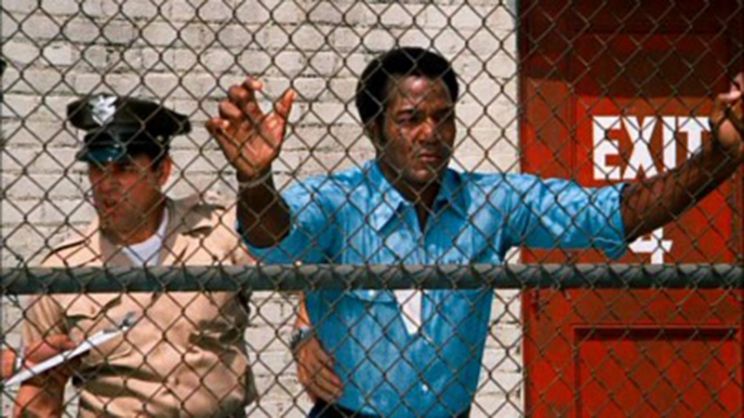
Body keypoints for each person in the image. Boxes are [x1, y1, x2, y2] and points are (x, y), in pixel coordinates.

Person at [206, 47, 744, 417]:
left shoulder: (491, 203)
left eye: (444, 117)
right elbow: (272, 236)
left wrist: (718, 157)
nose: (431, 134)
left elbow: (613, 214)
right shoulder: (340, 201)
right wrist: (255, 179)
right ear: (374, 130)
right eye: (410, 119)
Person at [16, 95, 257, 417]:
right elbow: (39, 396)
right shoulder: (63, 272)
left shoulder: (218, 233)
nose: (106, 184)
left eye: (124, 168)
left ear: (162, 171)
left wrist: (256, 176)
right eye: (96, 168)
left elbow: (289, 255)